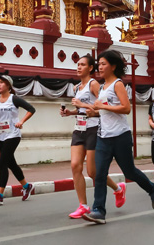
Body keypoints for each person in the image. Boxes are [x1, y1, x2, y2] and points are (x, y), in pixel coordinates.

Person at [82, 50, 154, 224]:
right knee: (100, 174)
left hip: (120, 136)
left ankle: (151, 188)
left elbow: (126, 108)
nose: (100, 67)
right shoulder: (102, 87)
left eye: (103, 64)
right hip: (103, 136)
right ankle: (98, 211)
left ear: (113, 66)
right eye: (99, 64)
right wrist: (93, 112)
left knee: (129, 171)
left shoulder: (117, 84)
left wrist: (103, 107)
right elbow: (104, 111)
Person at [60, 55, 121, 219]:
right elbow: (82, 110)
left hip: (93, 129)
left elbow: (102, 108)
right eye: (77, 64)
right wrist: (70, 112)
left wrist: (82, 105)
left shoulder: (94, 84)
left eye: (82, 65)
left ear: (91, 68)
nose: (78, 67)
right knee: (75, 166)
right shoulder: (77, 87)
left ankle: (118, 189)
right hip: (79, 129)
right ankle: (83, 206)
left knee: (93, 172)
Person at [0, 76, 36, 204]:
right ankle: (26, 186)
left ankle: (0, 194)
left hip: (13, 135)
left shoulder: (14, 99)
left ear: (8, 85)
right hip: (0, 135)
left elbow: (31, 109)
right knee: (10, 163)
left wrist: (21, 121)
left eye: (2, 83)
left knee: (2, 162)